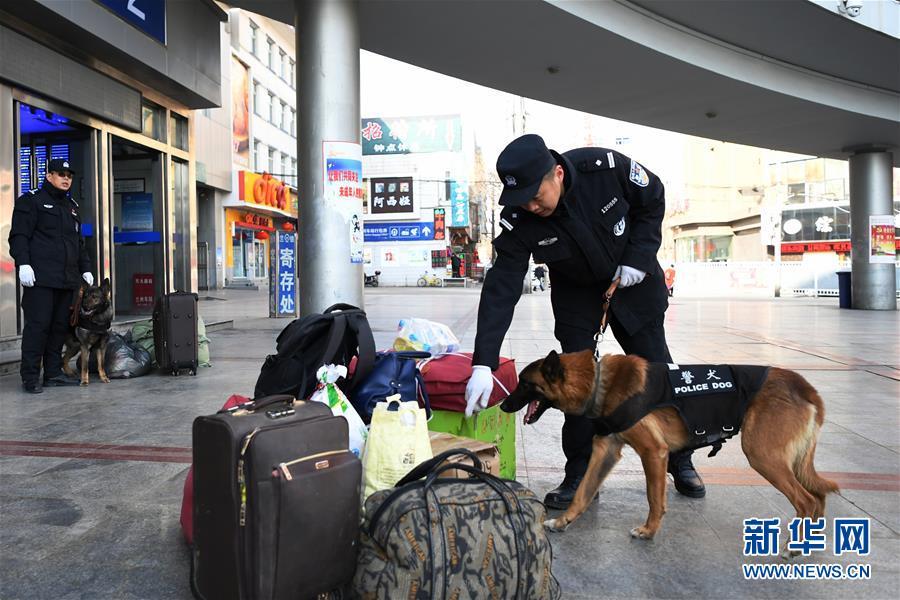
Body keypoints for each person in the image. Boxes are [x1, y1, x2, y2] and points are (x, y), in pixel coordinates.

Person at [464, 134, 705, 509]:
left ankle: (680, 458)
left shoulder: (604, 169)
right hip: (577, 296)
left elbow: (652, 197)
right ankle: (578, 474)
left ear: (557, 173)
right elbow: (502, 285)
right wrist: (484, 361)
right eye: (520, 199)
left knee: (657, 371)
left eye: (535, 195)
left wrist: (639, 257)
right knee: (573, 383)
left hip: (634, 283)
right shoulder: (519, 218)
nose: (530, 205)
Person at [9, 158, 93, 394]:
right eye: (60, 174)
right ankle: (31, 377)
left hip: (67, 280)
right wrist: (23, 264)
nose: (66, 179)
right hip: (41, 279)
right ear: (49, 176)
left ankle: (53, 373)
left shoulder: (71, 206)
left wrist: (85, 268)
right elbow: (19, 236)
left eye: (69, 175)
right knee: (38, 327)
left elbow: (78, 243)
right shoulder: (31, 201)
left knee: (58, 328)